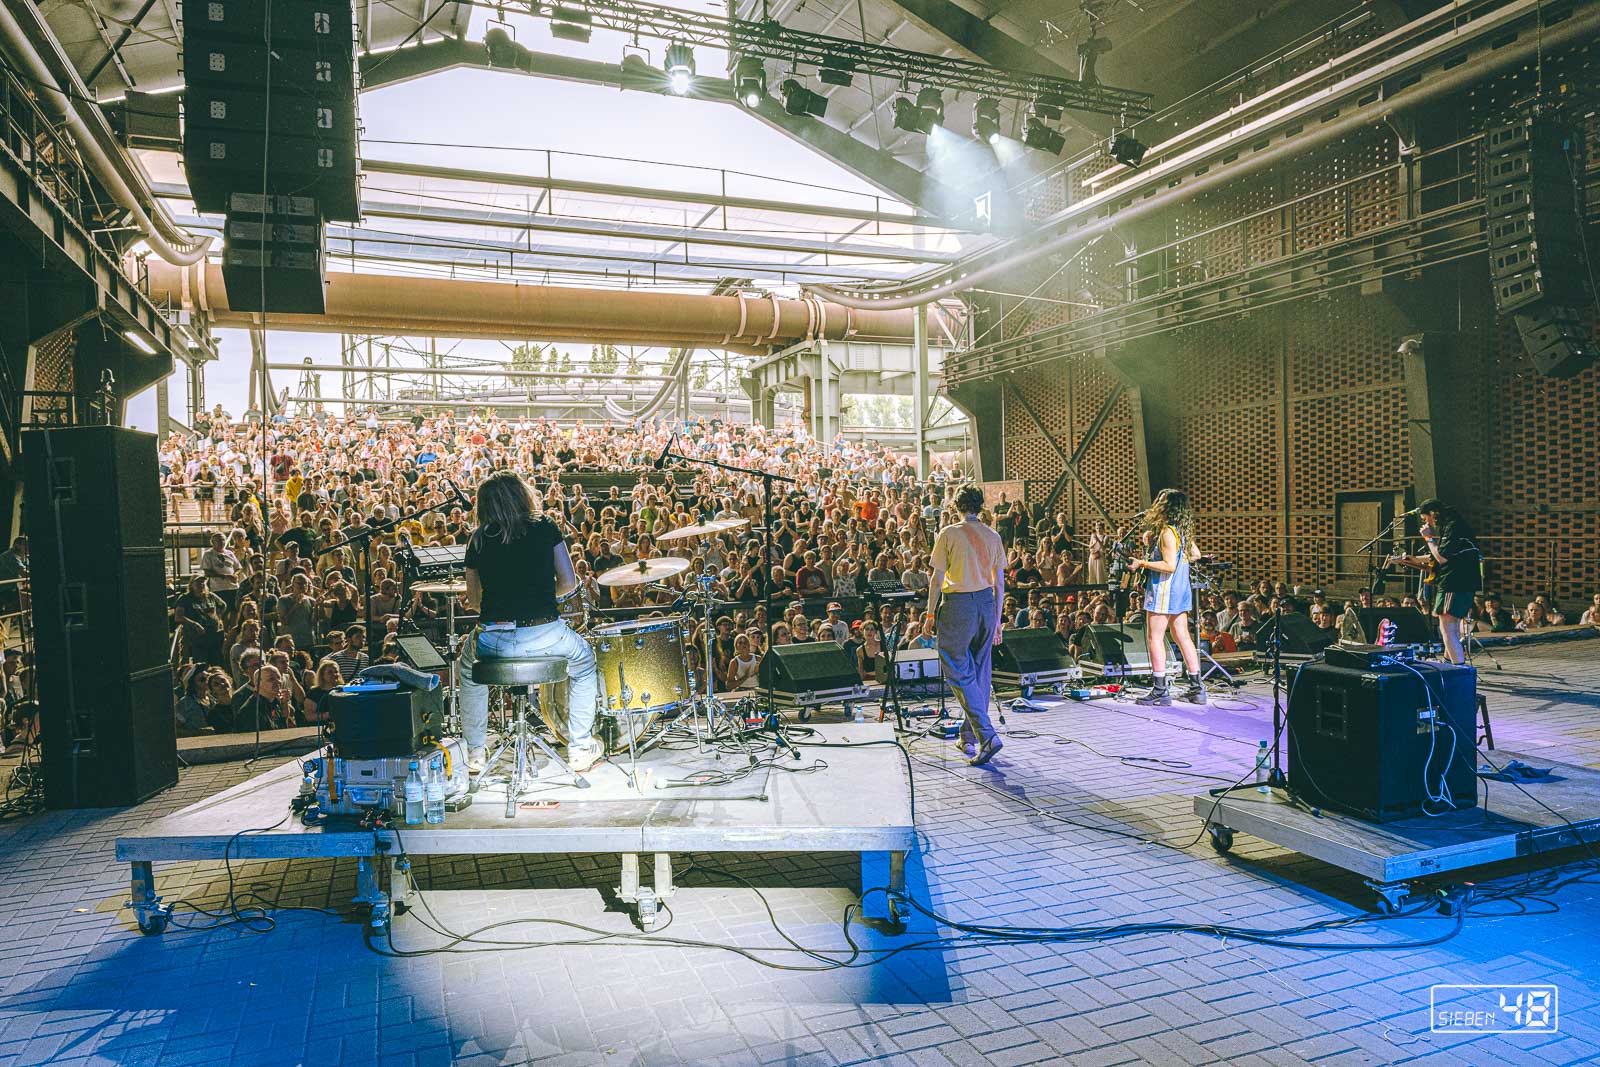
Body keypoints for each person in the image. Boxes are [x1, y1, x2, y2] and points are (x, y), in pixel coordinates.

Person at [459, 471, 602, 775]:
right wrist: (541, 593)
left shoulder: (479, 538)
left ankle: (474, 751)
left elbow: (474, 602)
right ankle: (579, 747)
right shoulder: (546, 526)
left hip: (495, 635)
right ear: (522, 495)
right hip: (544, 631)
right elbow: (567, 581)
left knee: (469, 667)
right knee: (585, 662)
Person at [927, 484, 1006, 766]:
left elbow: (936, 579)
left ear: (956, 507)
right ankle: (969, 735)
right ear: (980, 506)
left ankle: (987, 736)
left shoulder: (948, 534)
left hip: (958, 604)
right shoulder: (993, 535)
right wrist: (997, 621)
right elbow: (1000, 582)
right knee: (980, 671)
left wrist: (929, 614)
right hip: (986, 603)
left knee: (958, 668)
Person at [1126, 489, 1204, 706]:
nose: (1156, 503)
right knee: (1182, 636)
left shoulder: (1167, 533)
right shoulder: (1180, 531)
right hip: (1180, 590)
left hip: (1164, 590)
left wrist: (1142, 563)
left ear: (1167, 507)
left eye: (1160, 500)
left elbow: (1168, 566)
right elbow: (1196, 554)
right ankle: (1197, 688)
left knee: (1155, 638)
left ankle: (1160, 689)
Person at [1395, 499, 1482, 664]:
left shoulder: (1452, 526)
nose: (1426, 522)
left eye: (1425, 518)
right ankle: (1449, 664)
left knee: (1447, 628)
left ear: (1433, 513)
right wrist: (1413, 559)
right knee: (1453, 627)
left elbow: (1441, 558)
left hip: (1453, 583)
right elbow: (1440, 555)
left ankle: (1459, 670)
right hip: (1464, 583)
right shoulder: (1454, 525)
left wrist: (1428, 538)